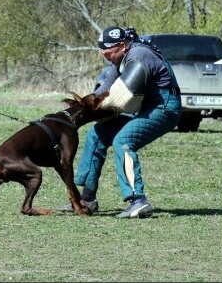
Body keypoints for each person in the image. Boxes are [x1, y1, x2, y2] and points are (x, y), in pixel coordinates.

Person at [59, 26, 182, 218]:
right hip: (145, 107)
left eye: (109, 53)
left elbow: (120, 98)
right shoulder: (119, 62)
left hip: (164, 107)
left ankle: (138, 201)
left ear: (123, 45)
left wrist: (98, 106)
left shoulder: (140, 54)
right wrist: (74, 111)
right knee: (96, 134)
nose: (106, 57)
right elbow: (102, 93)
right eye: (103, 54)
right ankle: (87, 199)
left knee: (123, 141)